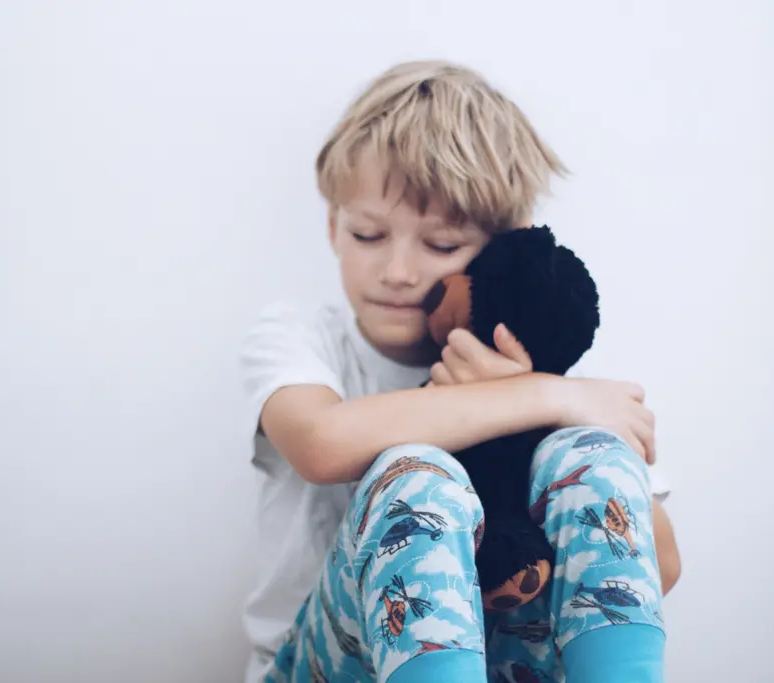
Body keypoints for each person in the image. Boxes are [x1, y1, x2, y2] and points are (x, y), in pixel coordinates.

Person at [239, 60, 681, 683]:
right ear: (334, 226)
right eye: (368, 235)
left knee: (591, 454)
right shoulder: (300, 339)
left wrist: (542, 403)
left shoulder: (560, 392)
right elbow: (320, 442)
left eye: (441, 245)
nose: (397, 270)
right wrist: (531, 396)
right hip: (323, 666)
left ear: (505, 249)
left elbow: (660, 564)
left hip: (504, 667)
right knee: (419, 478)